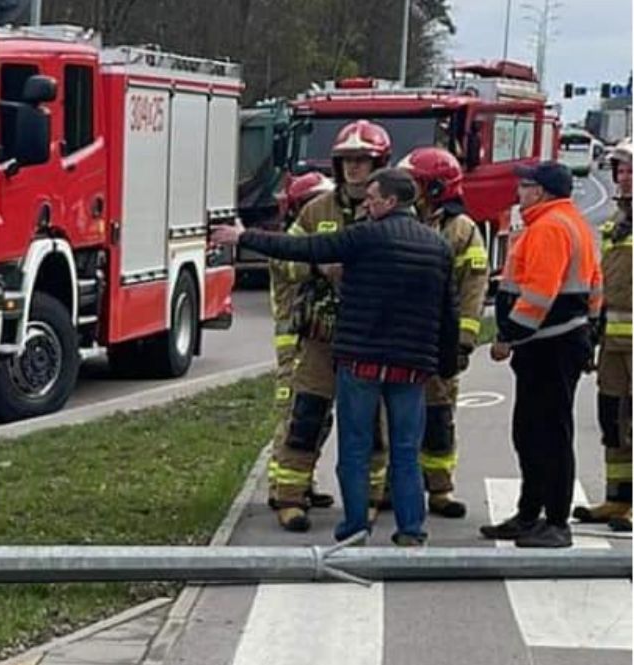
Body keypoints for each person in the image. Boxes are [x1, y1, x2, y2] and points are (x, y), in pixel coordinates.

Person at [214, 167, 460, 544]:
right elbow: (448, 311)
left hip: (360, 361)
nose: (367, 203)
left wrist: (245, 236)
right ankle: (411, 530)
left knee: (355, 446)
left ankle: (355, 527)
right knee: (406, 449)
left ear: (391, 201)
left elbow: (303, 248)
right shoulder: (438, 246)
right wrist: (444, 364)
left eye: (373, 198)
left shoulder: (363, 237)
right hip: (412, 366)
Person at [260, 120, 393, 533]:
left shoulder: (390, 212)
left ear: (379, 164)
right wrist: (317, 266)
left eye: (362, 160)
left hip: (372, 337)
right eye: (347, 161)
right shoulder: (317, 210)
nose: (354, 168)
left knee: (371, 424)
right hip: (321, 336)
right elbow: (282, 257)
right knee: (307, 415)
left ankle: (370, 499)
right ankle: (290, 498)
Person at [480, 160, 604, 549]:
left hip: (547, 344)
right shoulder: (572, 223)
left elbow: (539, 295)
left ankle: (555, 522)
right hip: (560, 342)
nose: (520, 191)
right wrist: (590, 335)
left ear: (543, 192)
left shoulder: (550, 227)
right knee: (532, 432)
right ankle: (530, 514)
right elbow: (594, 288)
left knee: (547, 434)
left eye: (526, 185)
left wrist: (508, 337)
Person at [398, 146, 491, 519]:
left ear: (435, 188)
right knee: (395, 416)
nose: (409, 191)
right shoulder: (398, 219)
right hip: (401, 338)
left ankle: (439, 488)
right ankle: (395, 485)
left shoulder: (462, 230)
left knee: (438, 417)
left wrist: (464, 341)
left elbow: (474, 287)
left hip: (440, 341)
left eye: (414, 184)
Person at [264, 171, 337, 509]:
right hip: (293, 346)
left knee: (319, 418)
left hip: (314, 342)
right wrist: (323, 263)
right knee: (294, 416)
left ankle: (303, 481)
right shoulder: (287, 248)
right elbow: (293, 267)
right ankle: (281, 486)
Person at [574, 139, 631, 532]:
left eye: (630, 171)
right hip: (613, 340)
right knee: (613, 419)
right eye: (620, 171)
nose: (624, 178)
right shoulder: (618, 218)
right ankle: (618, 499)